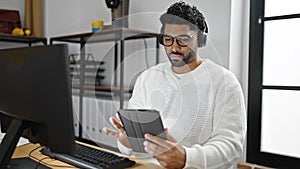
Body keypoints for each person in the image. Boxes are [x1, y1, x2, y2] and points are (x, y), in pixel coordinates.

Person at [103, 1, 246, 169]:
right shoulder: (148, 78)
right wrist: (128, 143)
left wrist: (186, 159)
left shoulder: (224, 82)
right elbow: (136, 143)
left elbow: (231, 146)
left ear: (200, 39)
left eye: (183, 39)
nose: (174, 48)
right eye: (168, 39)